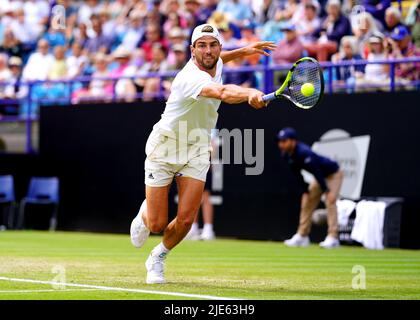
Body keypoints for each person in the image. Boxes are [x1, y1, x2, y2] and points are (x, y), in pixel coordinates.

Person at [130, 23, 276, 284]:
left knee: (186, 220)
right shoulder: (188, 78)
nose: (208, 51)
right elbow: (221, 92)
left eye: (213, 45)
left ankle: (158, 256)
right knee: (156, 224)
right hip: (165, 146)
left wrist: (244, 50)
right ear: (192, 50)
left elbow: (221, 59)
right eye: (201, 46)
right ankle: (145, 215)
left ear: (218, 47)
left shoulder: (215, 60)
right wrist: (251, 93)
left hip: (197, 146)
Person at [277, 127, 343, 249]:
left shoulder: (304, 152)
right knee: (306, 200)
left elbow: (316, 171)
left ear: (293, 141)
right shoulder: (286, 155)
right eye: (280, 141)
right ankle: (302, 236)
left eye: (284, 141)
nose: (281, 144)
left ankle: (333, 238)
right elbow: (297, 174)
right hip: (320, 177)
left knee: (330, 200)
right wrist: (305, 190)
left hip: (333, 173)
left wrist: (327, 191)